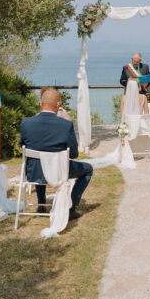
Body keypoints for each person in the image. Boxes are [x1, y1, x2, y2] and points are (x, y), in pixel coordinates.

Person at [20, 88, 93, 218]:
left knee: (40, 160)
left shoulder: (26, 123)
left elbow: (22, 146)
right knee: (88, 169)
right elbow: (74, 154)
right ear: (58, 105)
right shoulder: (66, 125)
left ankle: (41, 203)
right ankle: (71, 207)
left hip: (33, 173)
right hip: (58, 172)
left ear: (40, 103)